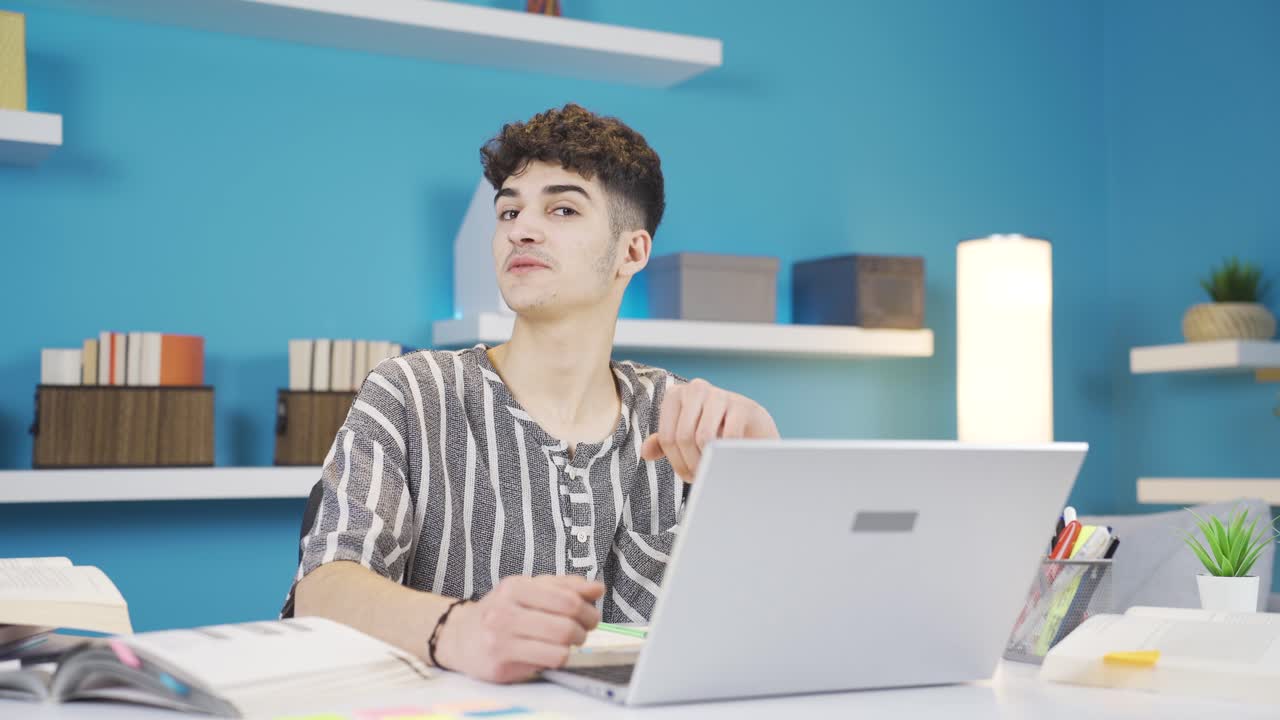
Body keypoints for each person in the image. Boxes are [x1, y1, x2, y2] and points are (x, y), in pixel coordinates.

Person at [290, 104, 779, 683]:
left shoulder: (679, 415)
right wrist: (458, 627)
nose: (521, 228)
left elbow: (771, 616)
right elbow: (321, 591)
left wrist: (765, 468)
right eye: (509, 210)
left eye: (563, 208)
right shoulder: (411, 391)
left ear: (633, 252)